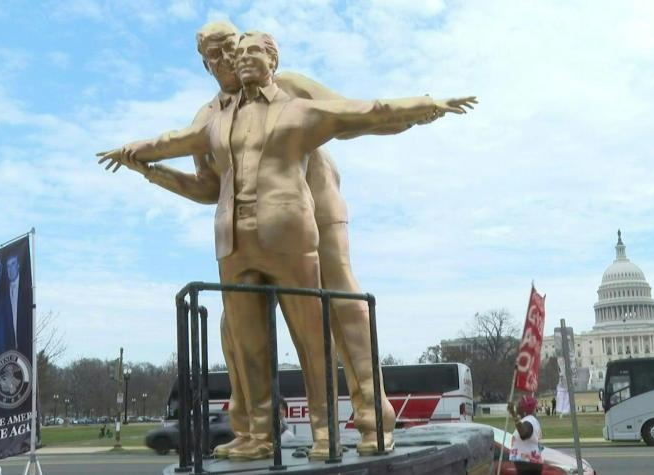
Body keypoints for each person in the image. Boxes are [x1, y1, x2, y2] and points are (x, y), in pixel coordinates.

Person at [98, 29, 474, 461]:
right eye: (211, 57)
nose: (224, 61)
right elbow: (208, 185)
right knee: (232, 325)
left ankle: (372, 416)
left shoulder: (288, 87)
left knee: (340, 298)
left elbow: (351, 116)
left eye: (229, 49)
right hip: (246, 228)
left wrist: (421, 107)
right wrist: (149, 169)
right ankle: (254, 430)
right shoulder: (210, 116)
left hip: (312, 204)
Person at [507, 394, 543, 475]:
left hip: (528, 465)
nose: (516, 405)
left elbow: (524, 434)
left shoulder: (529, 420)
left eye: (519, 404)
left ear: (524, 408)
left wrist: (513, 413)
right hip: (527, 464)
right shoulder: (528, 420)